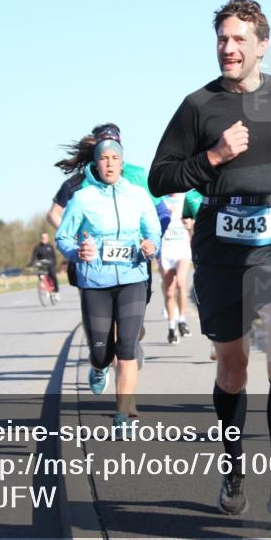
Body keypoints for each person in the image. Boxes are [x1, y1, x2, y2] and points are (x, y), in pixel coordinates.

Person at [149, 0, 271, 530]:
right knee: (233, 366)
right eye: (223, 39)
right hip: (222, 249)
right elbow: (160, 177)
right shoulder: (199, 106)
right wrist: (214, 158)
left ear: (262, 44)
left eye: (240, 39)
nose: (229, 48)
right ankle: (232, 469)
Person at [56, 135, 161, 435]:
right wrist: (77, 252)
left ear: (122, 163)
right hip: (96, 282)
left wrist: (152, 245)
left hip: (132, 278)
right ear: (96, 164)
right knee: (102, 351)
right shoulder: (82, 199)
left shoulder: (138, 196)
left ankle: (121, 415)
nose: (109, 163)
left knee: (127, 349)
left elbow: (153, 231)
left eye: (115, 158)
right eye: (104, 158)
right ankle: (98, 366)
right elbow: (63, 237)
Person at [49, 123, 170, 374]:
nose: (109, 161)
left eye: (115, 151)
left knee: (130, 330)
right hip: (94, 268)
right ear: (95, 149)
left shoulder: (137, 175)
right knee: (106, 342)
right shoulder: (79, 184)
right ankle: (109, 361)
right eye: (103, 151)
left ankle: (126, 395)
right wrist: (79, 245)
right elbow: (55, 216)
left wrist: (154, 243)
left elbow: (161, 214)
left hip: (134, 262)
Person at [158, 190, 202, 344]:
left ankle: (182, 320)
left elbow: (195, 222)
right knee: (169, 290)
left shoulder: (186, 199)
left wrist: (190, 224)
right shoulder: (159, 199)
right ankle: (171, 326)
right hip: (166, 247)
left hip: (182, 246)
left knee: (181, 283)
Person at [29, 232, 59, 300]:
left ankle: (56, 292)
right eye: (43, 238)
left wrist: (54, 264)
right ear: (41, 238)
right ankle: (42, 284)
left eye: (45, 238)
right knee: (39, 273)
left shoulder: (50, 246)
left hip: (50, 263)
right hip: (41, 264)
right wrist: (31, 263)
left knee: (53, 276)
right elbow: (34, 257)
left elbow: (54, 256)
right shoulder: (37, 247)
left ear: (48, 238)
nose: (44, 239)